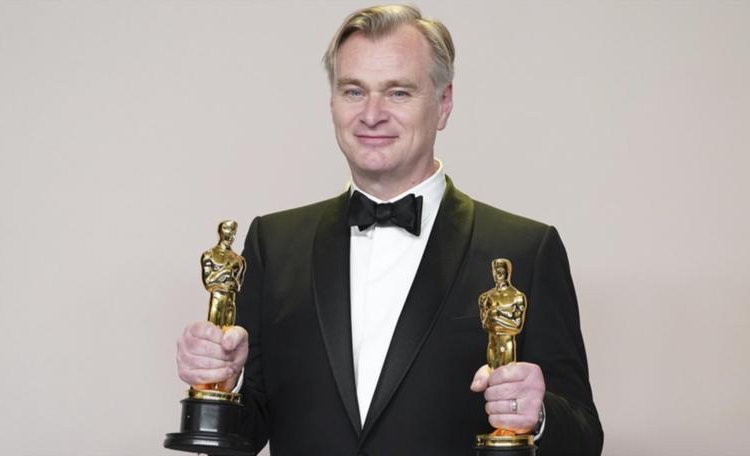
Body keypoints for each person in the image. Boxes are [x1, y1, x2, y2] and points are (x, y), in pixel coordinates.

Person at [176, 4, 603, 455]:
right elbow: (246, 433)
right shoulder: (273, 243)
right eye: (354, 91)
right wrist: (222, 383)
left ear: (443, 104)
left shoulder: (526, 249)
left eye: (398, 92)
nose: (372, 114)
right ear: (332, 104)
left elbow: (584, 437)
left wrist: (536, 417)